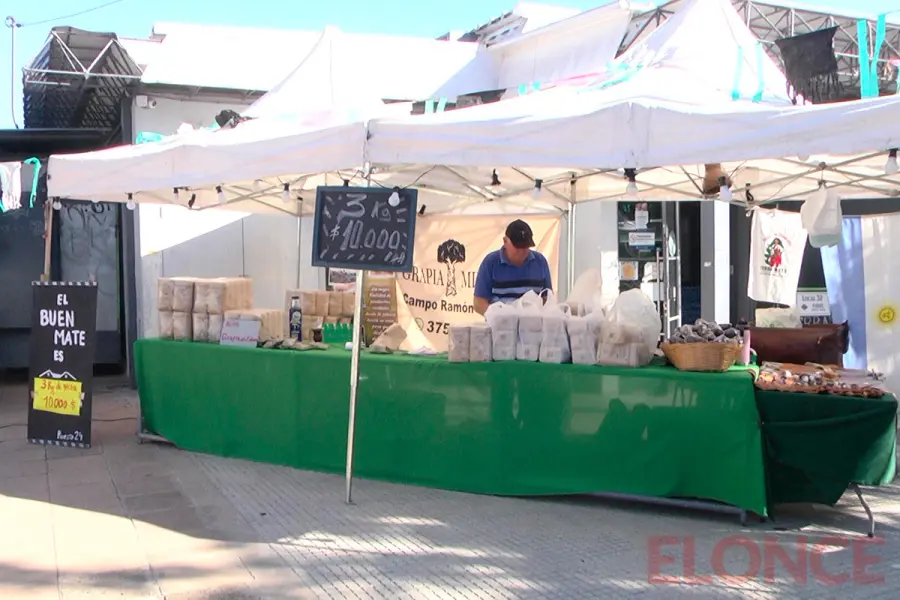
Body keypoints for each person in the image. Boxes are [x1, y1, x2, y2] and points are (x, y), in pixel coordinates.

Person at [473, 219, 552, 316]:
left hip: (532, 326)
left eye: (525, 247)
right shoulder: (490, 262)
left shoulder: (540, 261)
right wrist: (496, 317)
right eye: (517, 247)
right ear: (505, 241)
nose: (522, 251)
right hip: (500, 326)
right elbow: (479, 302)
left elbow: (547, 298)